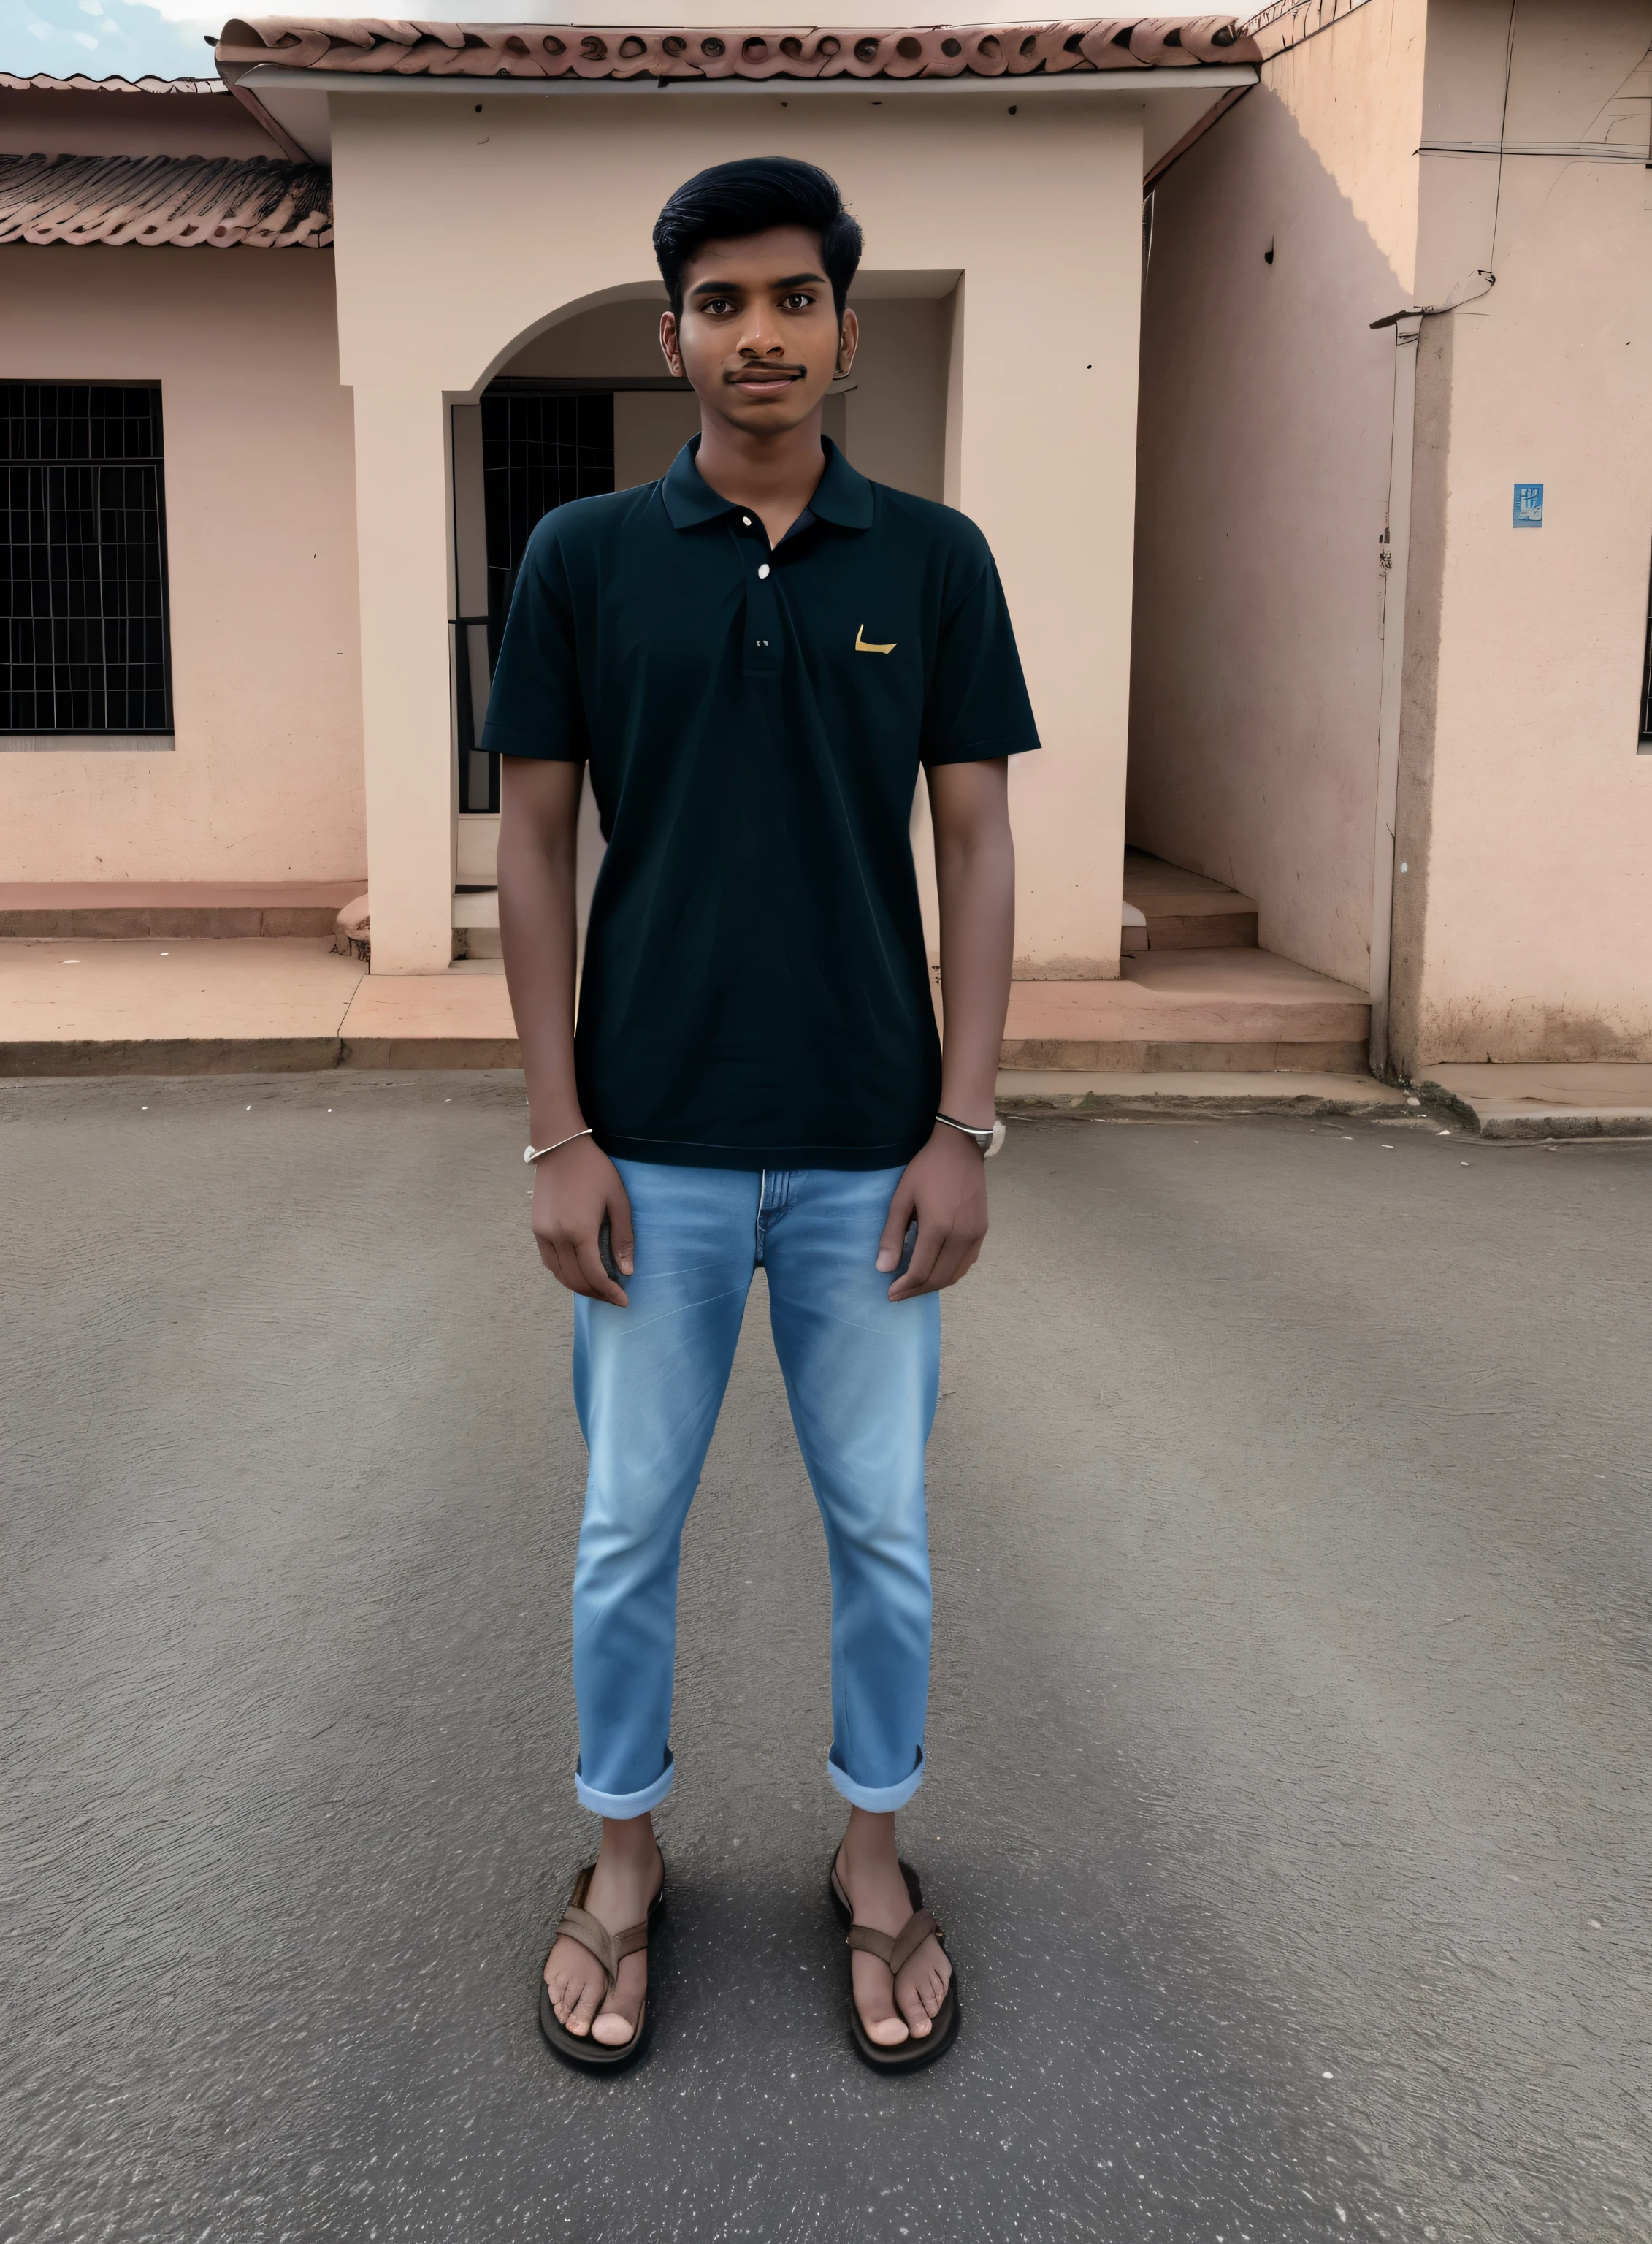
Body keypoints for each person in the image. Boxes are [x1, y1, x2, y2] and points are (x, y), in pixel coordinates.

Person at [487, 154, 1039, 2073]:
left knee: (881, 1530)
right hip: (647, 1154)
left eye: (793, 298)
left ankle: (872, 1857)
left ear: (843, 332)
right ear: (675, 338)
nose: (759, 334)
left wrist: (967, 1121)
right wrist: (556, 1132)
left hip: (871, 1160)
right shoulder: (582, 559)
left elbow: (974, 841)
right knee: (627, 1530)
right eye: (721, 304)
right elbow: (538, 841)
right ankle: (623, 1860)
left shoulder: (934, 562)